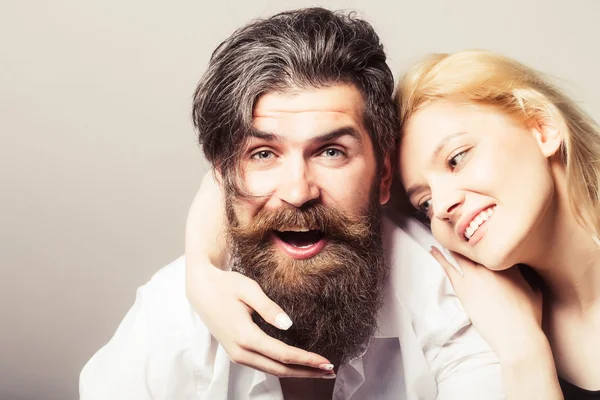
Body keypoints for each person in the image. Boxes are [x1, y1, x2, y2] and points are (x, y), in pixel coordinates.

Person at [80, 8, 504, 400]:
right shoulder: (169, 319)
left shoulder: (451, 296)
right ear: (224, 177)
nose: (299, 192)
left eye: (331, 152)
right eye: (263, 154)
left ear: (385, 177)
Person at [397, 50, 600, 399]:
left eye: (456, 159)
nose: (442, 206)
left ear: (541, 126)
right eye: (424, 203)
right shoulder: (489, 328)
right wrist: (523, 352)